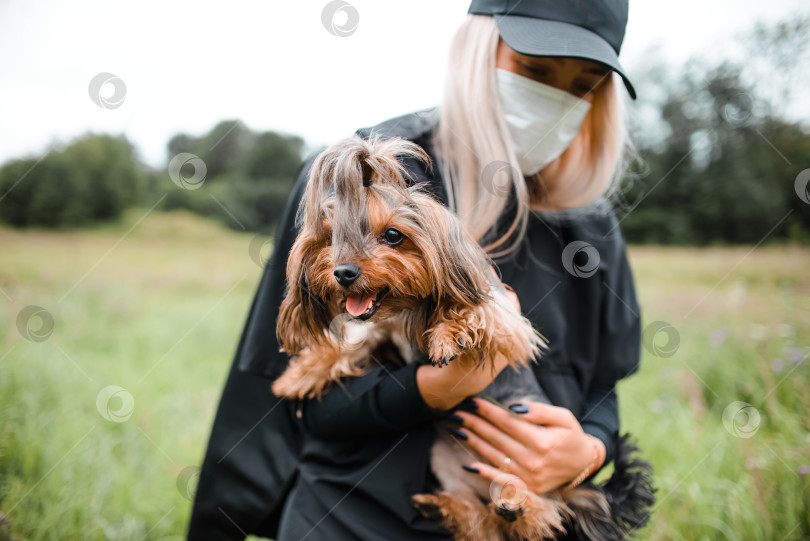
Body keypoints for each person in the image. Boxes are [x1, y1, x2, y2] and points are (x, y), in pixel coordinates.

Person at [187, 0, 645, 539]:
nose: (557, 98)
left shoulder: (589, 224)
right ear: (478, 49)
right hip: (354, 522)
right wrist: (430, 389)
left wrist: (586, 450)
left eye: (585, 83)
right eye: (535, 69)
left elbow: (601, 390)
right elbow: (296, 402)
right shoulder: (364, 179)